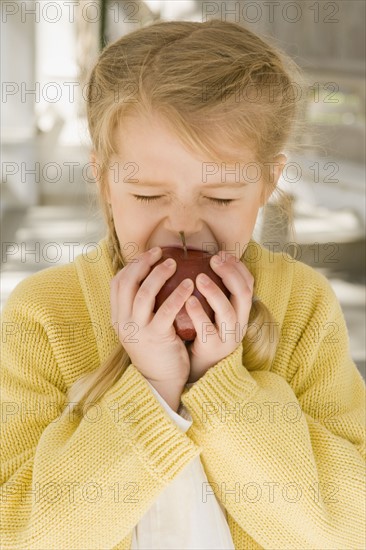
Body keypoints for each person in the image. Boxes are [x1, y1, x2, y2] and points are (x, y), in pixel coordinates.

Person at [1, 19, 365, 550]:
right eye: (149, 196)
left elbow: (346, 530)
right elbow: (23, 535)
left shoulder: (304, 307)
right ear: (104, 181)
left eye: (220, 199)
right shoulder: (43, 316)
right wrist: (153, 391)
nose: (186, 228)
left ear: (265, 182)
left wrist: (223, 384)